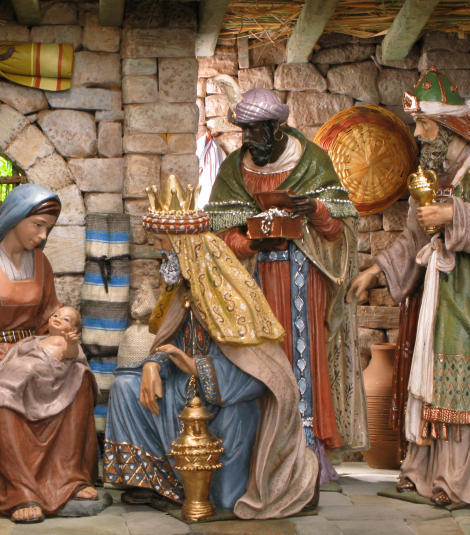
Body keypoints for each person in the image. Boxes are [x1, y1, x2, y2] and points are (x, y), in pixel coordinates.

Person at [104, 175, 318, 519]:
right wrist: (154, 363)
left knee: (226, 484)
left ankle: (212, 492)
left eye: (161, 241)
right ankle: (156, 483)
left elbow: (258, 376)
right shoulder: (183, 289)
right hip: (183, 391)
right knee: (126, 387)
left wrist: (197, 367)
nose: (158, 249)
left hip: (225, 402)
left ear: (183, 246)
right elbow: (168, 342)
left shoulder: (230, 297)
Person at [349, 68, 470, 506]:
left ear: (449, 126)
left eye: (424, 124)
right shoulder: (437, 174)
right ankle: (429, 472)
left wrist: (454, 215)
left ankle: (469, 480)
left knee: (466, 385)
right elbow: (413, 238)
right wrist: (375, 271)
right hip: (442, 293)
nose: (419, 135)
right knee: (436, 381)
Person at [203, 87, 366, 483]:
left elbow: (340, 233)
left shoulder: (312, 162)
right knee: (259, 362)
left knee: (301, 358)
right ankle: (259, 455)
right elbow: (220, 232)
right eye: (243, 130)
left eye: (254, 130)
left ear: (277, 128)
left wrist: (317, 210)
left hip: (303, 281)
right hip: (253, 283)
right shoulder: (234, 169)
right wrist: (250, 244)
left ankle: (306, 454)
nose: (246, 139)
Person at [0, 184, 98, 523]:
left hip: (33, 350)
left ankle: (69, 478)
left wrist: (64, 339)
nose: (42, 235)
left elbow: (49, 313)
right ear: (15, 218)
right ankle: (19, 490)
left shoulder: (41, 264)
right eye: (37, 225)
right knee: (0, 391)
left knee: (80, 378)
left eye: (47, 229)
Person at [0, 306, 93, 422]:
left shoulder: (66, 342)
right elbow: (19, 351)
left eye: (65, 319)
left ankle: (6, 391)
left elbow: (72, 354)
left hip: (44, 369)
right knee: (13, 368)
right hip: (25, 363)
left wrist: (71, 343)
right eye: (55, 315)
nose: (58, 318)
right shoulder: (38, 339)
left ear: (73, 330)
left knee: (27, 368)